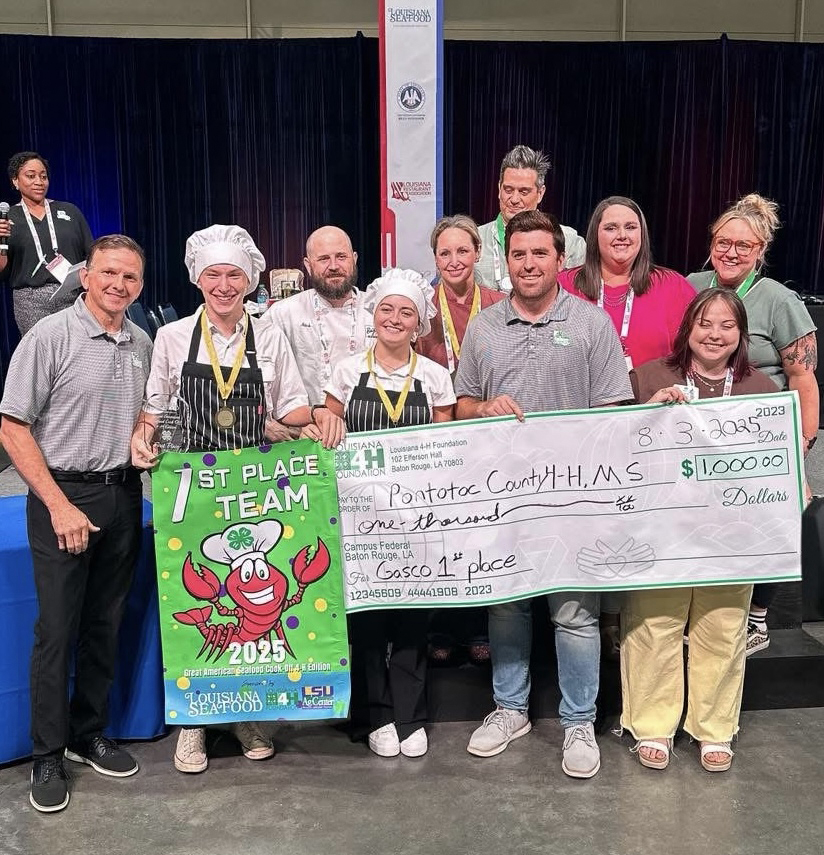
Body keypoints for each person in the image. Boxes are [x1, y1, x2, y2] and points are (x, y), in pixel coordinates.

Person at [131, 224, 343, 774]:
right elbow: (154, 409)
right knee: (192, 604)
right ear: (198, 279)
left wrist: (313, 416)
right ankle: (193, 724)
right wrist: (141, 434)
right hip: (192, 491)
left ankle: (247, 711)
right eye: (213, 275)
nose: (224, 286)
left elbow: (292, 405)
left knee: (249, 610)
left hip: (249, 489)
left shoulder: (269, 336)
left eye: (234, 276)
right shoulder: (173, 337)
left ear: (249, 281)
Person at [455, 210, 632, 777]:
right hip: (503, 498)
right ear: (504, 261)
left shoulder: (591, 324)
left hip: (574, 500)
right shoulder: (483, 328)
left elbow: (613, 411)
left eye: (539, 254)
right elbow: (461, 407)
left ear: (562, 260)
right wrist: (483, 409)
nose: (528, 264)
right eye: (518, 255)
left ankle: (579, 720)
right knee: (506, 607)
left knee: (576, 614)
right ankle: (510, 709)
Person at [0, 235, 151, 813]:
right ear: (86, 275)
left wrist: (143, 440)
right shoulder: (51, 336)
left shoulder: (139, 340)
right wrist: (60, 505)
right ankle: (48, 753)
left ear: (140, 286)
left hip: (121, 493)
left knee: (105, 625)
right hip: (62, 493)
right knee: (58, 631)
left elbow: (139, 415)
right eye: (109, 273)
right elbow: (12, 427)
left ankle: (89, 734)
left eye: (131, 278)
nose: (119, 285)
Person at [622, 288, 780, 773]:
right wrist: (650, 411)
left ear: (741, 335)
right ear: (688, 328)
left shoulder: (763, 391)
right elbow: (616, 447)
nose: (714, 335)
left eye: (726, 326)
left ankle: (714, 728)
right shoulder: (650, 376)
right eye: (705, 324)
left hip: (733, 534)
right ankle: (652, 724)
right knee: (655, 624)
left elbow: (775, 466)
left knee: (723, 627)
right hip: (660, 529)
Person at [316, 268, 455, 759]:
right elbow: (327, 420)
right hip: (360, 521)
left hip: (416, 520)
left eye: (407, 312)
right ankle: (375, 716)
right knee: (368, 625)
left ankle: (412, 715)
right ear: (372, 316)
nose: (395, 319)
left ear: (420, 324)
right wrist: (325, 420)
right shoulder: (346, 371)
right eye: (387, 310)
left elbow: (447, 447)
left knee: (414, 622)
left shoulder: (436, 378)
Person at [558, 196, 696, 655]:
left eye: (630, 227)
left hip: (651, 426)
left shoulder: (672, 287)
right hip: (583, 430)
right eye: (610, 227)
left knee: (637, 527)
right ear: (593, 235)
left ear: (643, 235)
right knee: (590, 526)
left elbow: (699, 353)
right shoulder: (565, 285)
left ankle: (626, 625)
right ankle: (590, 623)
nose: (621, 236)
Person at [688, 194, 818, 656]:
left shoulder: (779, 300)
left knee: (766, 517)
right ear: (711, 244)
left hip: (762, 435)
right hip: (700, 436)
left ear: (761, 250)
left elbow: (803, 377)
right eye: (724, 242)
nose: (732, 252)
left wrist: (801, 445)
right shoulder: (691, 286)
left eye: (745, 246)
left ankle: (757, 620)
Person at [416, 214, 504, 665]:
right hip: (435, 436)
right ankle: (440, 626)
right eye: (444, 252)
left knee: (480, 535)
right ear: (435, 258)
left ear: (478, 253)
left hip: (484, 435)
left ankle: (477, 626)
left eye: (462, 251)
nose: (454, 260)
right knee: (438, 536)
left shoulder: (499, 303)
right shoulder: (419, 308)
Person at [263, 225, 376, 407]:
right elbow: (260, 372)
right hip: (309, 427)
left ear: (354, 259)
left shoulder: (378, 309)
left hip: (368, 427)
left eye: (341, 257)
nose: (333, 266)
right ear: (308, 265)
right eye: (323, 259)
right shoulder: (283, 313)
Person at [0, 151, 93, 334]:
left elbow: (90, 254)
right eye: (31, 176)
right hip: (30, 301)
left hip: (72, 295)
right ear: (15, 181)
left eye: (43, 176)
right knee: (43, 357)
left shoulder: (69, 211)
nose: (39, 182)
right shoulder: (8, 219)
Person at [475, 145, 585, 291]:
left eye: (523, 191)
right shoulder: (475, 239)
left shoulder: (570, 242)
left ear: (540, 193)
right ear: (499, 189)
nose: (514, 199)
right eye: (508, 190)